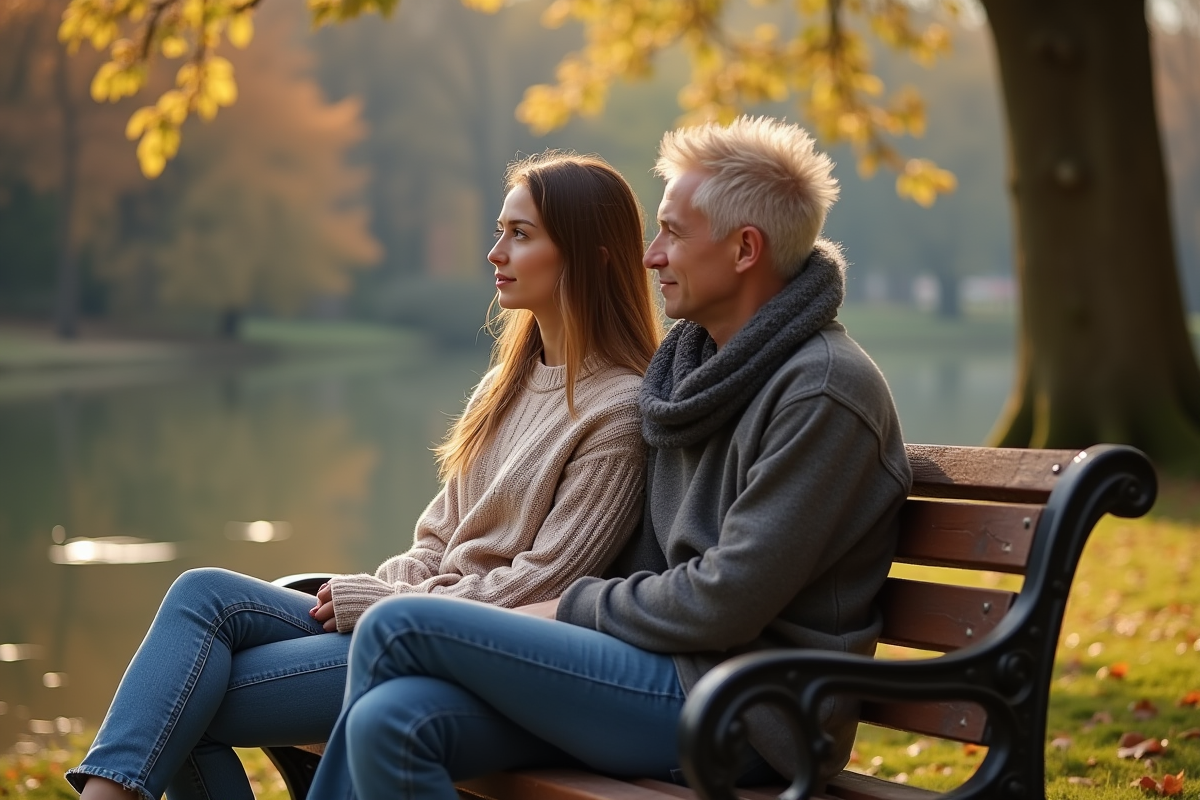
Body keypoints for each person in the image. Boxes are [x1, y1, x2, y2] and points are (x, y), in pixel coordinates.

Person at [305, 115, 914, 800]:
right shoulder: (695, 371)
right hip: (649, 670)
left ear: (745, 249)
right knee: (394, 721)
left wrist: (570, 606)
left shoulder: (824, 391)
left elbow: (725, 600)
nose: (651, 255)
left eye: (673, 233)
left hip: (747, 712)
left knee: (396, 622)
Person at [66, 151, 663, 800]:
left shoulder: (617, 408)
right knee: (203, 594)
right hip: (404, 617)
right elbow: (436, 538)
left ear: (593, 256)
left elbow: (544, 587)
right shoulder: (506, 383)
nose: (495, 252)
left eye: (521, 235)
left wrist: (390, 608)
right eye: (499, 230)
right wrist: (375, 592)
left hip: (464, 654)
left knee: (180, 698)